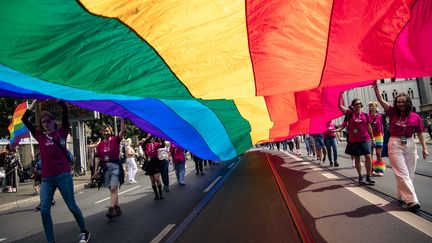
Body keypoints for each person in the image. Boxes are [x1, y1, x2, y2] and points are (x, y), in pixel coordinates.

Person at [22, 99, 90, 243]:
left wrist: (56, 99)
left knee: (72, 206)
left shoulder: (62, 132)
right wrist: (34, 102)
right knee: (45, 210)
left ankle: (84, 232)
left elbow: (65, 110)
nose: (45, 124)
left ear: (53, 121)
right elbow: (24, 119)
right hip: (47, 179)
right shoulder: (39, 136)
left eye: (47, 121)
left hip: (63, 176)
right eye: (43, 122)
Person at [373, 81, 428, 211]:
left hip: (409, 144)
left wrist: (424, 148)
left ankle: (402, 195)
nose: (400, 104)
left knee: (409, 173)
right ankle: (412, 200)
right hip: (395, 143)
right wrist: (377, 89)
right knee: (402, 172)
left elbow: (420, 133)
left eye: (403, 102)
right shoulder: (393, 113)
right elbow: (381, 100)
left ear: (408, 103)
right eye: (398, 102)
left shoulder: (415, 117)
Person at [337, 95, 375, 185]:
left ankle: (368, 176)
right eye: (356, 104)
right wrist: (340, 95)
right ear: (353, 106)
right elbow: (339, 106)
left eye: (359, 104)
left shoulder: (365, 115)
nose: (358, 105)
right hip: (354, 140)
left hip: (365, 139)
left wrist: (373, 138)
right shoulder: (349, 114)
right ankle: (360, 177)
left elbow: (369, 127)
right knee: (357, 158)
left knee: (368, 156)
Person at [94, 120, 125, 219]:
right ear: (102, 133)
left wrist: (122, 119)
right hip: (105, 168)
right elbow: (98, 158)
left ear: (110, 131)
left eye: (107, 131)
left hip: (115, 166)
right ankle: (117, 208)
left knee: (113, 188)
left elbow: (122, 131)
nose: (106, 132)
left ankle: (111, 210)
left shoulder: (115, 139)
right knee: (112, 189)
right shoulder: (99, 145)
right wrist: (95, 171)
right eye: (104, 131)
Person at [143, 135, 164, 200]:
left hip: (155, 161)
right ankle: (156, 194)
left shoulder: (156, 144)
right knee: (152, 180)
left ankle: (161, 193)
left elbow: (162, 145)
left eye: (152, 137)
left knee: (157, 179)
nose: (151, 138)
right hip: (149, 162)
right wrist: (152, 134)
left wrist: (161, 139)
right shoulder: (145, 144)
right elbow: (146, 141)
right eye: (149, 137)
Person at [368, 101, 386, 176]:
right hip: (369, 137)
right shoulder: (367, 116)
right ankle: (371, 169)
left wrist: (384, 135)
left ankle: (379, 170)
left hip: (379, 136)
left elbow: (384, 126)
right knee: (370, 155)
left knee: (378, 154)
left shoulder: (380, 116)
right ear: (369, 108)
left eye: (374, 106)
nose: (373, 107)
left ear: (376, 107)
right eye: (371, 106)